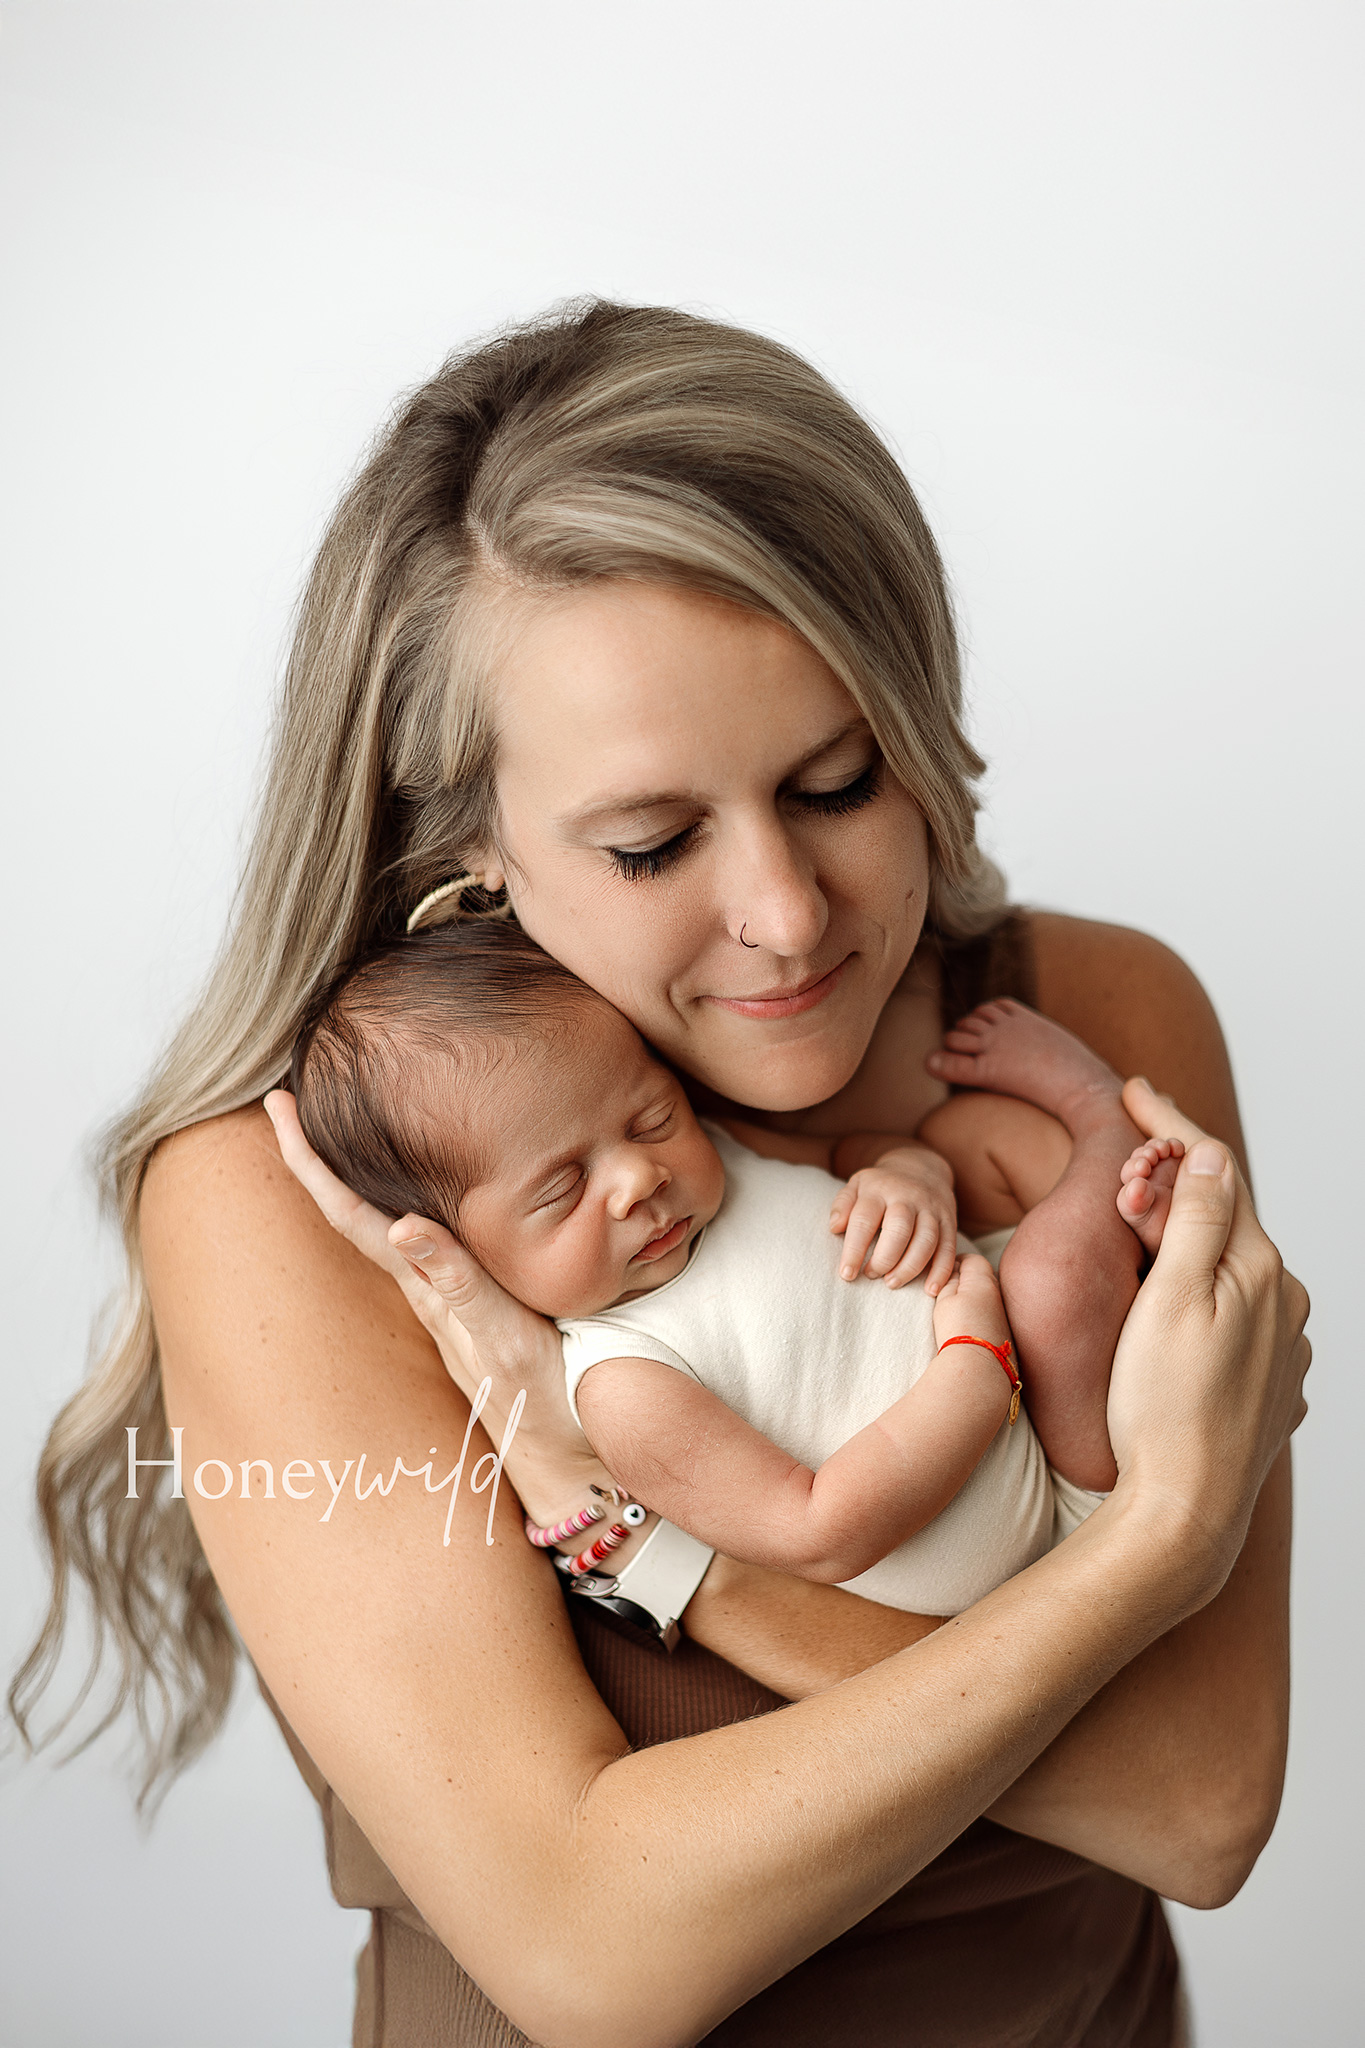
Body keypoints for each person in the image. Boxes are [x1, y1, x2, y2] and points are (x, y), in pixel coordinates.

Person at [11, 300, 1308, 2048]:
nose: (784, 913)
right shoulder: (303, 1200)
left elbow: (1194, 1802)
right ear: (468, 849)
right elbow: (595, 1953)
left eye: (840, 781)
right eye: (651, 840)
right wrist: (1150, 1543)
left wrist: (634, 1536)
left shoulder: (1085, 1018)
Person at [288, 918, 1188, 1614]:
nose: (641, 1175)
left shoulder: (712, 1153)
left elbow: (856, 1147)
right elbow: (818, 1529)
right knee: (1053, 1283)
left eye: (649, 1119)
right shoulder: (624, 1381)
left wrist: (905, 1176)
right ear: (456, 1251)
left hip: (1019, 1352)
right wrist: (974, 1370)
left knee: (964, 1136)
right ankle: (1098, 1113)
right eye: (561, 1188)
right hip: (1040, 1513)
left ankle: (1133, 1222)